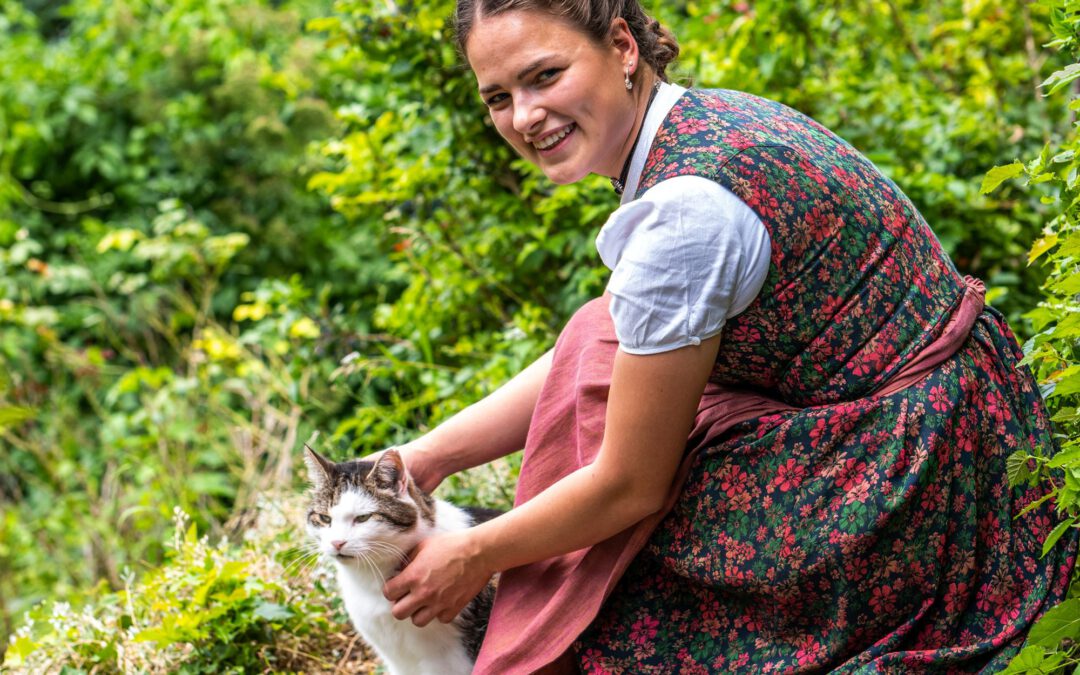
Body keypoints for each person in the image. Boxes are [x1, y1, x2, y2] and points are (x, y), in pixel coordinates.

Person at [379, 1, 1077, 672]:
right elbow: (618, 331)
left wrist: (475, 553)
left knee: (619, 584)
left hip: (920, 475)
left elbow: (628, 486)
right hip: (957, 405)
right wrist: (430, 455)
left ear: (621, 48)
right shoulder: (698, 121)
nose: (524, 116)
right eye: (498, 97)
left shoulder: (685, 215)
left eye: (545, 75)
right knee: (597, 337)